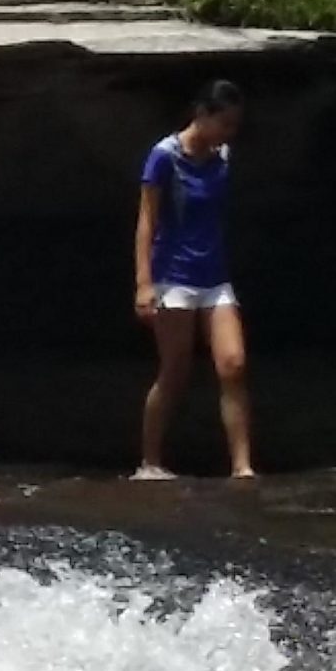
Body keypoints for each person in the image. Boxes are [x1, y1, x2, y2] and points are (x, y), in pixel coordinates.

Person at [131, 80, 254, 481]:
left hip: (214, 275)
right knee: (175, 370)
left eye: (234, 125)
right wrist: (144, 282)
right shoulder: (164, 156)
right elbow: (147, 221)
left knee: (233, 363)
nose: (228, 133)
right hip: (174, 277)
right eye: (224, 123)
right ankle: (150, 461)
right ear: (202, 114)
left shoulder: (223, 156)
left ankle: (242, 466)